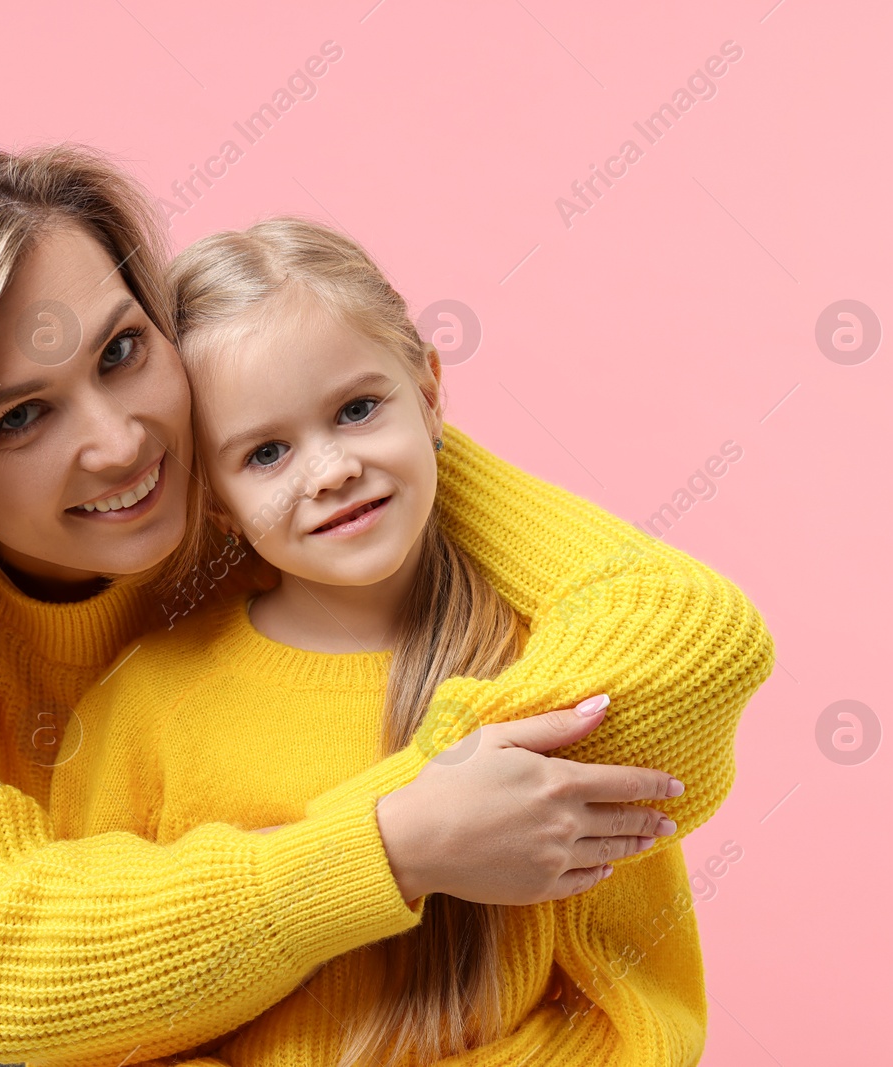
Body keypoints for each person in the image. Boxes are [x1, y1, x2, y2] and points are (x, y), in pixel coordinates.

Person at [0, 141, 775, 1065]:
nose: (123, 441)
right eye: (20, 418)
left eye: (121, 350)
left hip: (230, 997)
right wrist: (398, 837)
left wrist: (428, 815)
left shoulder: (268, 456)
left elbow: (679, 628)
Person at [48, 217, 747, 1067]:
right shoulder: (144, 708)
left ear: (429, 388)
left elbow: (634, 1000)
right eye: (266, 452)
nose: (330, 468)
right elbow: (101, 1032)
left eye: (357, 409)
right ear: (217, 499)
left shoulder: (544, 670)